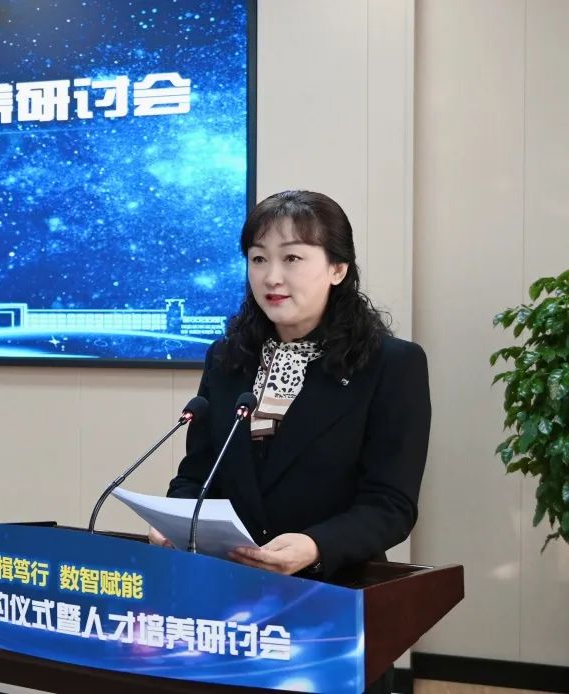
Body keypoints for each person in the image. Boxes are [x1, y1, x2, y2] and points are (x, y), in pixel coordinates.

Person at [149, 190, 431, 694]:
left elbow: (391, 504)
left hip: (331, 598)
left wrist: (315, 546)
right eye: (258, 259)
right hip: (227, 602)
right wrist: (176, 517)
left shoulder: (392, 366)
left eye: (292, 258)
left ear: (338, 269)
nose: (271, 277)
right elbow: (197, 474)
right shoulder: (227, 359)